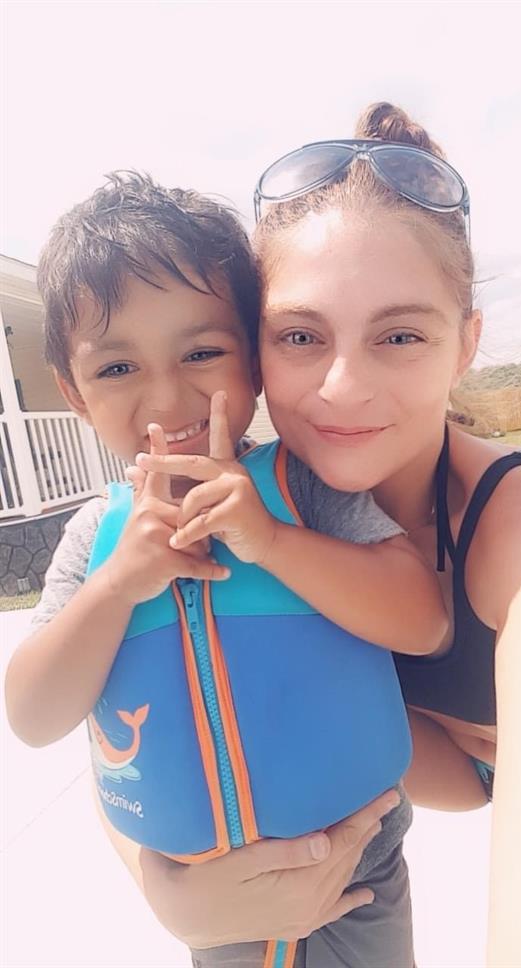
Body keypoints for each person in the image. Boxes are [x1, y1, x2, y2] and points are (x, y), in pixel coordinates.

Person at [100, 105, 521, 968]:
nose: (342, 387)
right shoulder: (242, 506)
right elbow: (134, 702)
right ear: (254, 352)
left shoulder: (518, 525)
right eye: (301, 336)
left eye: (400, 335)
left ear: (465, 346)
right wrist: (162, 886)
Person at [5, 171, 452, 968]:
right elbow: (35, 717)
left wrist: (271, 541)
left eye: (202, 352)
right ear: (73, 395)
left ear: (251, 357)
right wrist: (116, 587)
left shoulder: (304, 489)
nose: (167, 397)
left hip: (355, 869)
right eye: (117, 369)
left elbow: (422, 619)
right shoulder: (92, 538)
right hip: (210, 887)